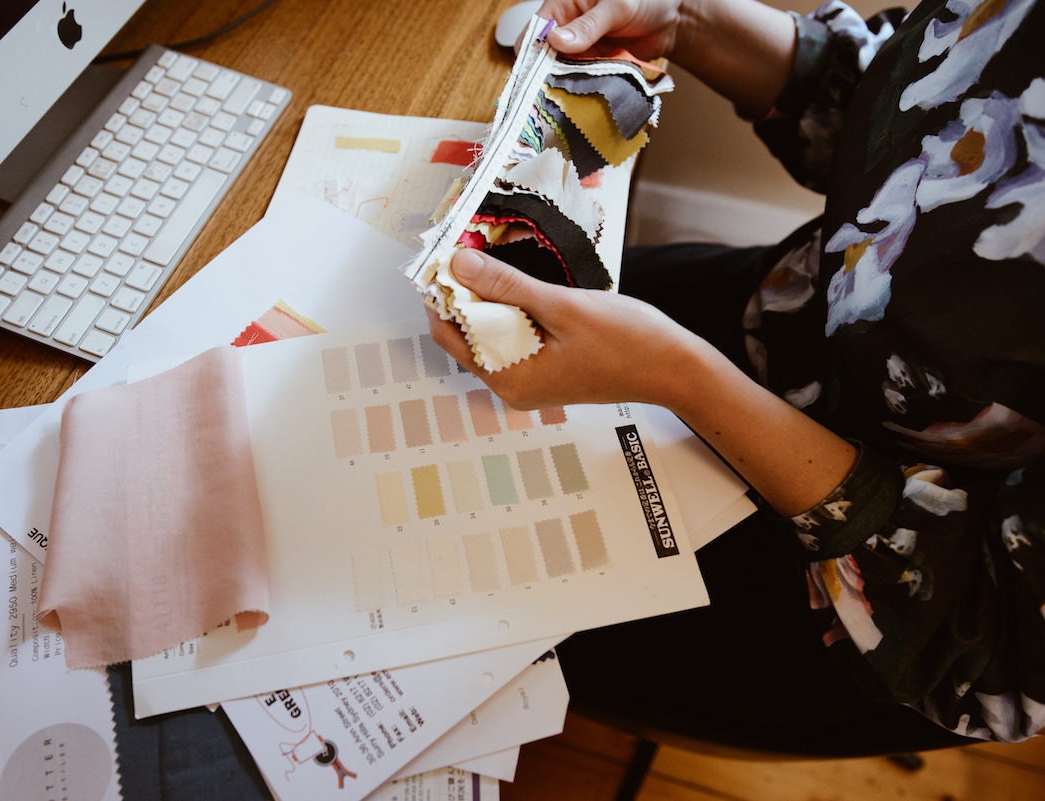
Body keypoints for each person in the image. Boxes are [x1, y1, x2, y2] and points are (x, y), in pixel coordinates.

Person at [427, 0, 1045, 747]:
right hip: (770, 311)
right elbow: (933, 115)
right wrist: (690, 21)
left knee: (461, 614)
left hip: (834, 594)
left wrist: (677, 375)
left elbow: (990, 630)